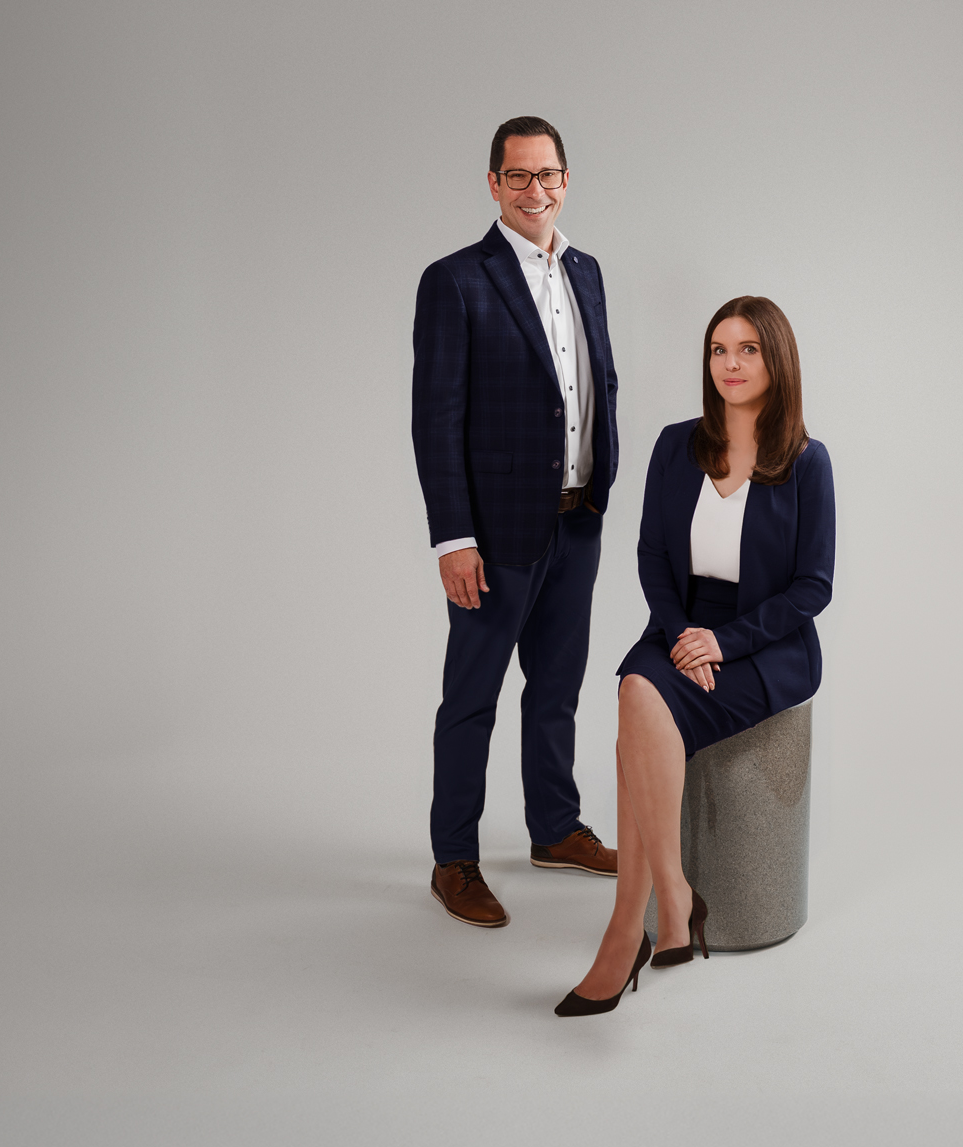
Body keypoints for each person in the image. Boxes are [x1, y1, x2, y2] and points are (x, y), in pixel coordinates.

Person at [554, 295, 836, 1016]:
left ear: (777, 360)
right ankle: (668, 899)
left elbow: (814, 586)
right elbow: (651, 555)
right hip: (683, 625)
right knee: (635, 691)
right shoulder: (677, 445)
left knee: (635, 721)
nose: (730, 364)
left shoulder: (807, 462)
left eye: (747, 349)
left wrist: (726, 641)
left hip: (767, 643)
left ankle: (632, 932)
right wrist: (683, 633)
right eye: (718, 349)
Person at [410, 116, 622, 928]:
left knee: (559, 687)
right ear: (494, 185)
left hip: (577, 519)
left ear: (567, 180)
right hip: (494, 533)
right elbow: (438, 417)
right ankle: (453, 858)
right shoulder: (456, 281)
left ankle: (555, 828)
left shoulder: (590, 272)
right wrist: (452, 537)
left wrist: (600, 489)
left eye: (550, 174)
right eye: (520, 176)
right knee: (472, 696)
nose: (538, 190)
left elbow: (594, 383)